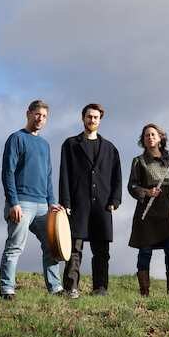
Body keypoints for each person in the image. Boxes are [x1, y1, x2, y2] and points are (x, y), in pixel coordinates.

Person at [0, 100, 64, 300]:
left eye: (44, 116)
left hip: (43, 205)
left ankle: (55, 288)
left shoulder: (44, 145)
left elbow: (48, 176)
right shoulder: (16, 138)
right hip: (21, 203)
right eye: (37, 114)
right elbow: (7, 172)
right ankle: (7, 289)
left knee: (52, 245)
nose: (40, 119)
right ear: (28, 113)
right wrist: (14, 202)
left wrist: (52, 202)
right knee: (15, 245)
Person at [59, 103, 122, 298]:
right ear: (83, 118)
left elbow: (117, 176)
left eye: (95, 117)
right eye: (89, 116)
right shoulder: (70, 145)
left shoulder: (110, 148)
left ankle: (100, 288)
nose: (92, 120)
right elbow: (64, 175)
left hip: (102, 205)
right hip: (78, 203)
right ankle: (71, 287)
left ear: (100, 120)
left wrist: (115, 200)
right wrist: (66, 202)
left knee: (101, 249)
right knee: (74, 248)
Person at [127, 123, 169, 296]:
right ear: (143, 140)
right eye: (146, 135)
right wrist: (147, 192)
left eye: (153, 134)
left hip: (168, 214)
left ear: (160, 137)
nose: (150, 137)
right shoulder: (138, 161)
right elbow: (132, 186)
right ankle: (144, 293)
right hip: (146, 215)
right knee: (145, 252)